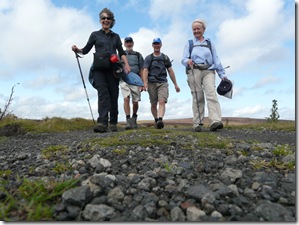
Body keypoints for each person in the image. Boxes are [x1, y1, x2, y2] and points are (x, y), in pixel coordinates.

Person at [71, 8, 130, 133]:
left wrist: (126, 65)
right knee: (103, 94)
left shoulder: (116, 36)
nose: (106, 20)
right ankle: (102, 123)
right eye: (103, 18)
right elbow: (86, 50)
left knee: (114, 95)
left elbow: (122, 52)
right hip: (98, 69)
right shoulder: (94, 35)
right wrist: (77, 49)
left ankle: (113, 123)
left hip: (113, 69)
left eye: (108, 18)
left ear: (112, 21)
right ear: (100, 20)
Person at [181, 19, 228, 132]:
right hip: (194, 70)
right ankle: (198, 123)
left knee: (211, 93)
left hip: (209, 70)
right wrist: (187, 61)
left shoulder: (209, 43)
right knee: (198, 96)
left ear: (203, 30)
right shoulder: (189, 44)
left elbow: (216, 59)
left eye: (198, 29)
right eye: (194, 29)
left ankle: (215, 121)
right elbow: (183, 59)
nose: (196, 31)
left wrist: (222, 75)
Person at [143, 38, 180, 129]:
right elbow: (145, 70)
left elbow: (170, 71)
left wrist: (176, 84)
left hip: (163, 82)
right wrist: (145, 83)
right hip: (152, 83)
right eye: (155, 44)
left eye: (158, 44)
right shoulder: (149, 58)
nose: (156, 45)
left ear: (161, 45)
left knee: (162, 101)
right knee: (153, 104)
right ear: (152, 45)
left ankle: (160, 119)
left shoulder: (165, 58)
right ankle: (156, 120)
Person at [120, 37, 144, 130]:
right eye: (127, 42)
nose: (129, 44)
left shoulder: (138, 55)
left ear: (133, 43)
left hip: (136, 80)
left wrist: (142, 82)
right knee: (126, 98)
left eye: (130, 42)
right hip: (124, 79)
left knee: (135, 101)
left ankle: (134, 117)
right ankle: (128, 120)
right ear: (124, 44)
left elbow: (142, 69)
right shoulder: (121, 54)